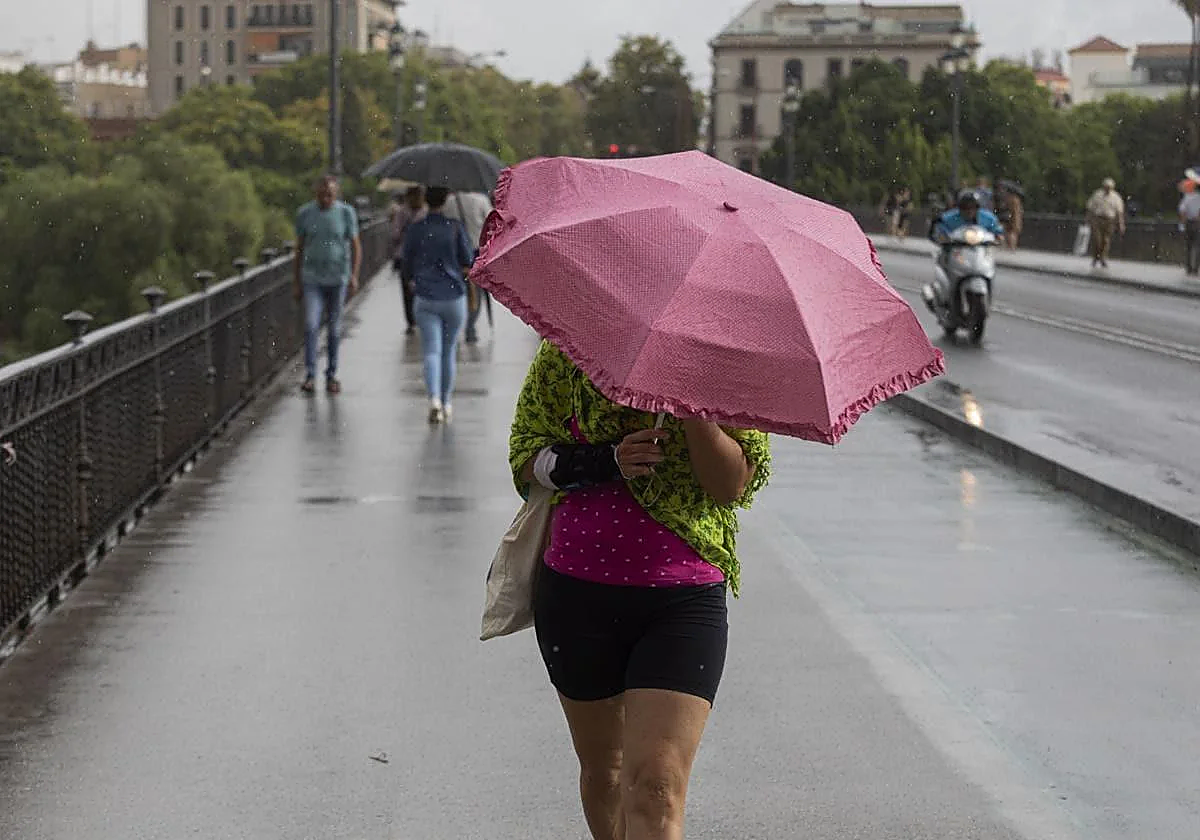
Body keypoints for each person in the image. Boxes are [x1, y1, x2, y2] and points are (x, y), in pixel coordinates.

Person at [510, 340, 771, 840]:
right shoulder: (570, 349)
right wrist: (605, 460)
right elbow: (525, 454)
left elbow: (732, 485)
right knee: (605, 771)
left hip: (684, 599)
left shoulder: (726, 361)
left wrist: (694, 410)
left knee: (656, 786)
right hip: (577, 593)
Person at [402, 186, 474, 423]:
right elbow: (468, 260)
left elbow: (406, 262)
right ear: (445, 201)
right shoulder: (454, 227)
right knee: (449, 350)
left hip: (425, 297)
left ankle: (433, 398)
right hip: (453, 296)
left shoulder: (416, 229)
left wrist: (413, 280)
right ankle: (446, 402)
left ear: (425, 201)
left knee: (431, 350)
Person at [294, 175, 361, 395]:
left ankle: (331, 374)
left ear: (336, 194)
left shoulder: (345, 213)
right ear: (316, 194)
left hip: (337, 277)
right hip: (312, 277)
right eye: (322, 195)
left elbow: (355, 246)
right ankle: (310, 375)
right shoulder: (305, 214)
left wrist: (354, 275)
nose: (326, 199)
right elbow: (299, 249)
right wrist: (296, 281)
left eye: (330, 195)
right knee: (311, 325)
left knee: (333, 329)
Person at [442, 190, 495, 344]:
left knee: (456, 290)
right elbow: (493, 223)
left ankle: (455, 327)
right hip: (476, 251)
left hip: (454, 254)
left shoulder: (448, 202)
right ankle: (470, 328)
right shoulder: (481, 200)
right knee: (475, 293)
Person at [390, 186, 427, 334]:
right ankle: (419, 318)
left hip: (405, 255)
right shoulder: (426, 212)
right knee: (421, 288)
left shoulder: (401, 212)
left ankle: (411, 321)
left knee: (407, 290)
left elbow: (395, 235)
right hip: (422, 255)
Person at [1085, 177, 1126, 268]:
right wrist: (1088, 219)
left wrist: (1121, 224)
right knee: (1097, 240)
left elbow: (1119, 212)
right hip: (1098, 219)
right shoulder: (1097, 194)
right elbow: (1090, 207)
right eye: (1106, 187)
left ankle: (1103, 258)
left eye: (1109, 187)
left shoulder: (1116, 197)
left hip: (1109, 220)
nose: (1107, 189)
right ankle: (1096, 257)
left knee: (1106, 240)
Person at [1179, 182, 1200, 275]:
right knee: (1197, 246)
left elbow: (1183, 210)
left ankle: (1189, 268)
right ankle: (1196, 268)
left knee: (1188, 246)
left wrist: (1183, 223)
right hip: (1197, 222)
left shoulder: (1187, 197)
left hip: (1189, 222)